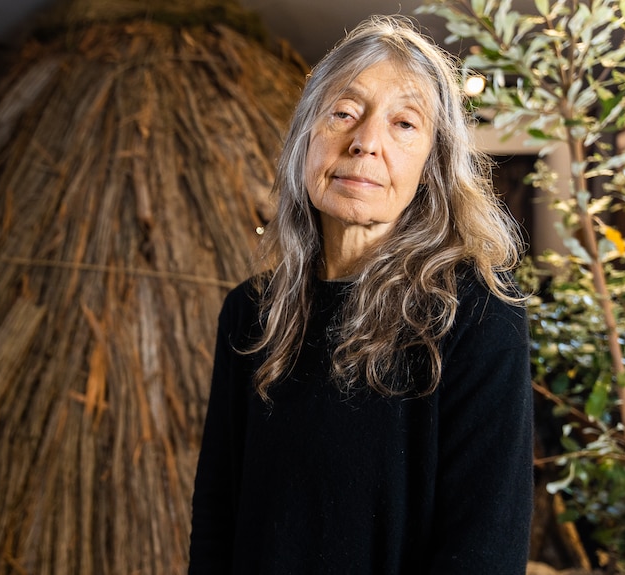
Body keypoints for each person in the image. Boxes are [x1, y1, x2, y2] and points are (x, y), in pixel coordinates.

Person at [188, 14, 533, 575]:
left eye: (404, 124)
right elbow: (217, 523)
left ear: (432, 166)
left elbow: (484, 549)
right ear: (307, 140)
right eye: (343, 113)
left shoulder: (475, 314)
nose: (365, 143)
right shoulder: (251, 315)